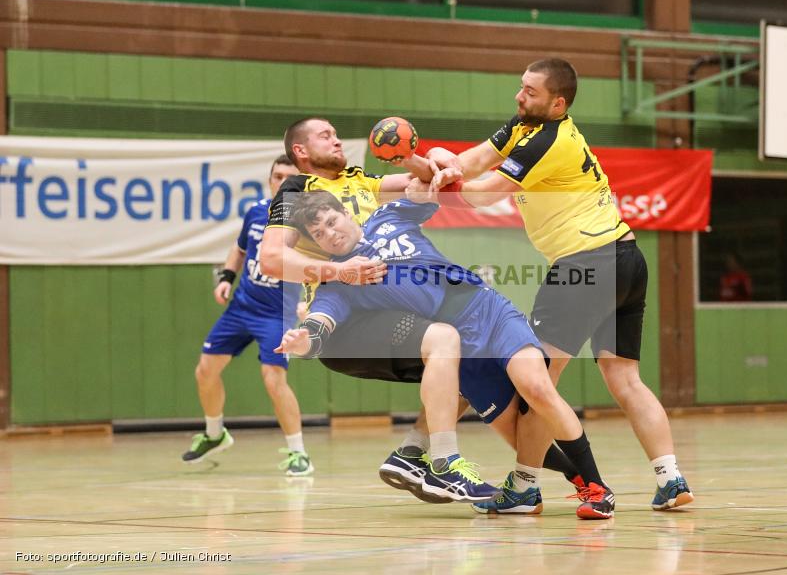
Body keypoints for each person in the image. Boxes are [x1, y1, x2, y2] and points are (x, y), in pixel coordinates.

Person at [426, 58, 694, 511]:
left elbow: (484, 193)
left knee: (536, 382)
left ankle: (526, 486)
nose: (519, 96)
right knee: (624, 378)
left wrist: (443, 184)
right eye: (520, 86)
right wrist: (441, 159)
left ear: (558, 102)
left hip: (584, 265)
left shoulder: (548, 142)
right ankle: (671, 478)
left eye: (529, 91)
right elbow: (476, 160)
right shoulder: (525, 125)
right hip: (626, 259)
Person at [277, 189, 615, 519]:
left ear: (347, 214)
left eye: (332, 222)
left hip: (487, 309)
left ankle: (597, 487)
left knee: (537, 388)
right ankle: (556, 482)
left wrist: (429, 165)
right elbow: (321, 323)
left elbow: (429, 189)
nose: (330, 234)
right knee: (516, 430)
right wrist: (302, 338)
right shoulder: (339, 281)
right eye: (319, 234)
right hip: (465, 352)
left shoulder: (387, 217)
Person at [182, 155, 312, 477]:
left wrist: (311, 300)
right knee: (205, 370)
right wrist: (227, 277)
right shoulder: (256, 212)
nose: (281, 182)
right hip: (242, 306)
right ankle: (215, 434)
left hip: (277, 313)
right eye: (276, 175)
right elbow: (240, 249)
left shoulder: (307, 225)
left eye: (289, 177)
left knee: (273, 378)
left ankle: (299, 453)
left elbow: (318, 266)